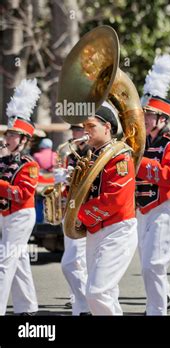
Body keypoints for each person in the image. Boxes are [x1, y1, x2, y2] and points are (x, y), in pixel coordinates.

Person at [135, 54, 170, 315]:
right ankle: (159, 301)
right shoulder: (138, 142)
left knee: (153, 264)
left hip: (165, 206)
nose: (143, 118)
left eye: (149, 114)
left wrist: (139, 162)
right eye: (143, 113)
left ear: (162, 119)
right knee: (148, 263)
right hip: (142, 208)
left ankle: (156, 311)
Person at [75, 102, 137, 315]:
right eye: (85, 126)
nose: (86, 131)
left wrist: (79, 215)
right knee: (106, 293)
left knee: (97, 292)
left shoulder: (120, 156)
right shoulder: (91, 156)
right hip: (96, 229)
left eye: (91, 126)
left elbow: (115, 199)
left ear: (107, 127)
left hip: (116, 229)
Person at [0, 79, 41, 315]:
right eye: (9, 133)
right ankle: (27, 307)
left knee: (4, 263)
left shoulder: (29, 164)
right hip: (7, 215)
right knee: (20, 261)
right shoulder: (4, 160)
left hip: (21, 215)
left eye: (14, 135)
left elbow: (22, 193)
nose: (9, 138)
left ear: (24, 140)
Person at [54, 123, 91, 315]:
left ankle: (85, 303)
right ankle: (78, 299)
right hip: (71, 208)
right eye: (74, 131)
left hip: (85, 210)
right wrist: (61, 181)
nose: (74, 134)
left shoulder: (92, 153)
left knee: (74, 261)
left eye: (78, 130)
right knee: (74, 259)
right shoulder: (69, 155)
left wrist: (71, 177)